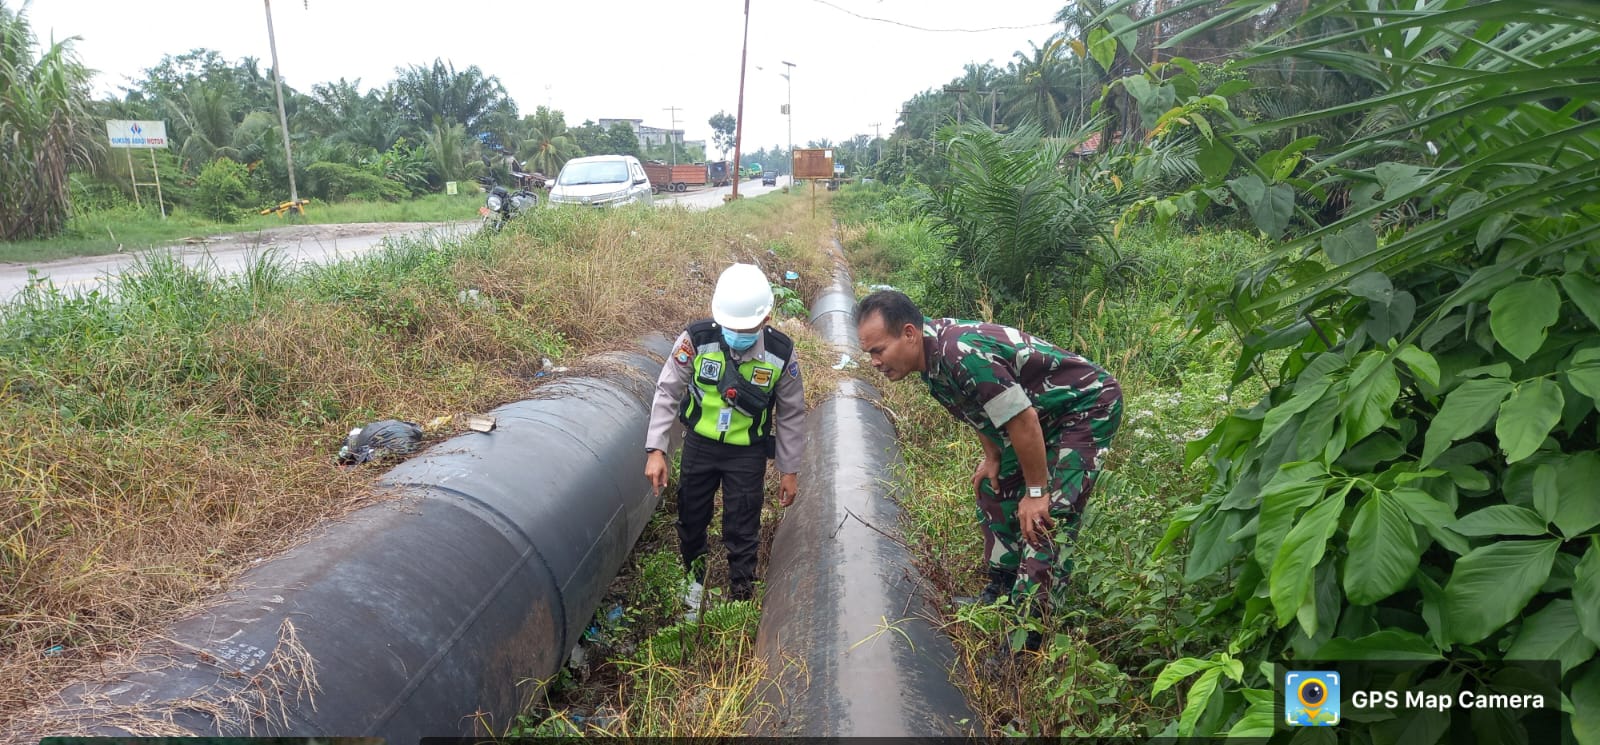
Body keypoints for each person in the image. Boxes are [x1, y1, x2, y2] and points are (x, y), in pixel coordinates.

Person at [854, 289, 1122, 653]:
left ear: (909, 333)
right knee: (992, 485)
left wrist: (1037, 492)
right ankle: (1003, 588)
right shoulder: (931, 361)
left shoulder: (961, 354)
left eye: (878, 350)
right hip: (1039, 417)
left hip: (1082, 409)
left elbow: (1023, 419)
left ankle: (1027, 638)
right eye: (869, 353)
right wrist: (993, 455)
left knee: (1046, 518)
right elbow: (976, 407)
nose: (874, 362)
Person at [645, 263, 805, 619]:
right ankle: (693, 583)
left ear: (765, 320)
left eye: (746, 330)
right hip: (700, 446)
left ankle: (741, 600)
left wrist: (789, 469)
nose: (737, 335)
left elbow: (792, 413)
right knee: (691, 517)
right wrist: (657, 449)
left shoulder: (780, 353)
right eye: (731, 327)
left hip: (746, 453)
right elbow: (668, 390)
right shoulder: (697, 339)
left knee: (742, 526)